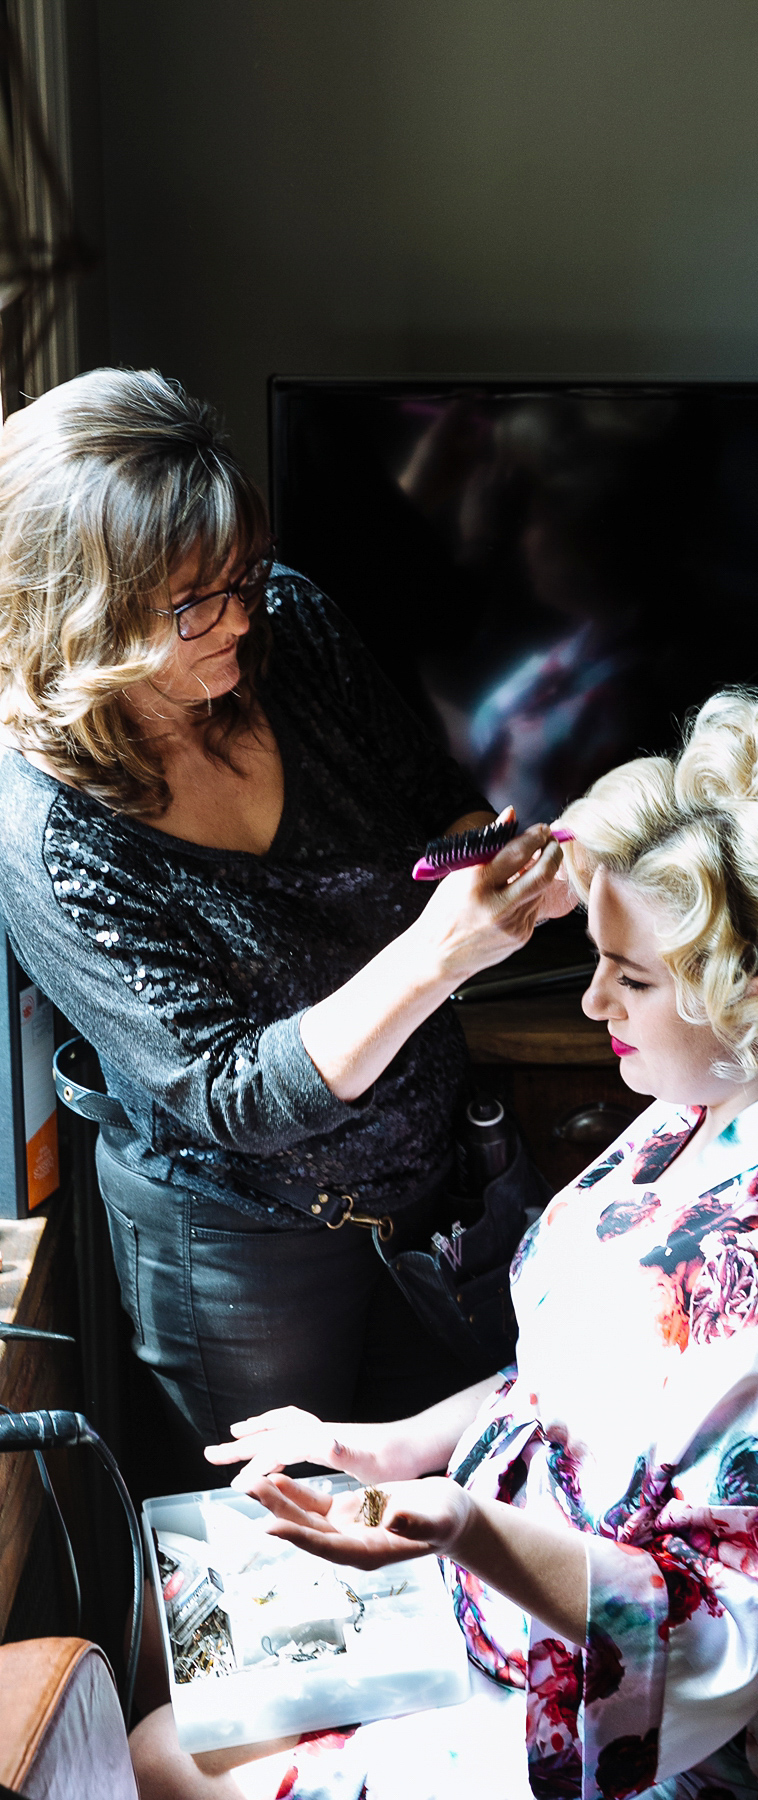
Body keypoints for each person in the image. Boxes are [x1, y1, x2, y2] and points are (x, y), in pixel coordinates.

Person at [130, 690, 758, 1800]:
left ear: (755, 1000)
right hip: (534, 1576)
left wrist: (462, 1525)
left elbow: (713, 1643)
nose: (590, 1000)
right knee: (173, 1614)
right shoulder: (745, 1081)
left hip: (687, 1722)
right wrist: (393, 1445)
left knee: (165, 1754)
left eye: (631, 976)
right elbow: (580, 1373)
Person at [0, 368, 571, 1469]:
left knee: (450, 1482)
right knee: (286, 1530)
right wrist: (438, 953)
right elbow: (231, 1096)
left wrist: (490, 854)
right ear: (85, 616)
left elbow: (422, 791)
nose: (243, 615)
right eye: (194, 603)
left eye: (244, 573)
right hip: (241, 1246)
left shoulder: (289, 630)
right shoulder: (50, 833)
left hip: (431, 1182)